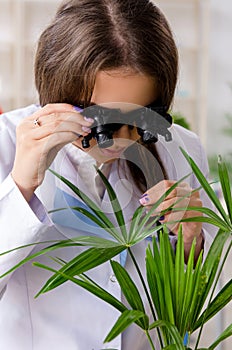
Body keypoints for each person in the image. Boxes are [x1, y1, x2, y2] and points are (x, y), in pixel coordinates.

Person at [0, 0, 216, 349]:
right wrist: (21, 187)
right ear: (59, 98)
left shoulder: (182, 150)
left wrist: (192, 243)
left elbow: (190, 311)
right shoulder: (6, 142)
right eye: (106, 122)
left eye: (144, 120)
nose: (125, 139)